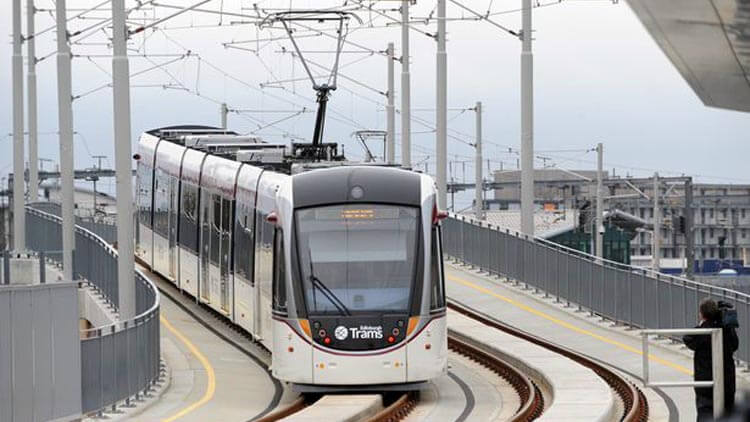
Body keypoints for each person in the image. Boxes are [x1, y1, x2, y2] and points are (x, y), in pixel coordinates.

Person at [684, 298, 740, 421]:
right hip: (727, 383)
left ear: (702, 314)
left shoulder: (703, 331)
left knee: (705, 413)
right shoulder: (725, 330)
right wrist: (724, 323)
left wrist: (703, 323)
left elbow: (687, 338)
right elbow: (735, 345)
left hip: (705, 385)